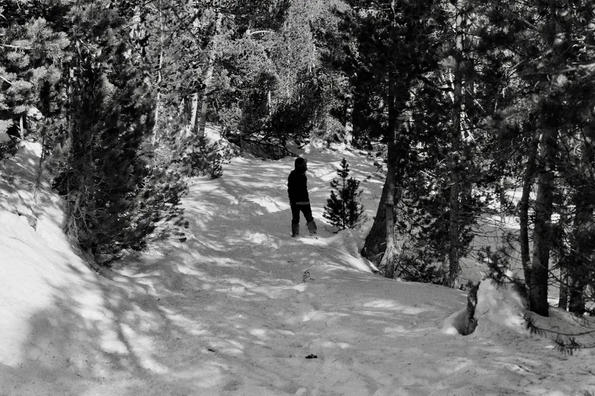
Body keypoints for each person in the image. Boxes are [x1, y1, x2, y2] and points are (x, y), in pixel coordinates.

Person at [287, 157, 317, 238]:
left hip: (305, 201)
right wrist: (292, 200)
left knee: (309, 218)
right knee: (296, 218)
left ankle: (313, 233)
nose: (306, 166)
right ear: (299, 165)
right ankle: (295, 234)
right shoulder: (293, 175)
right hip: (296, 202)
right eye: (305, 164)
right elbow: (290, 189)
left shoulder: (303, 175)